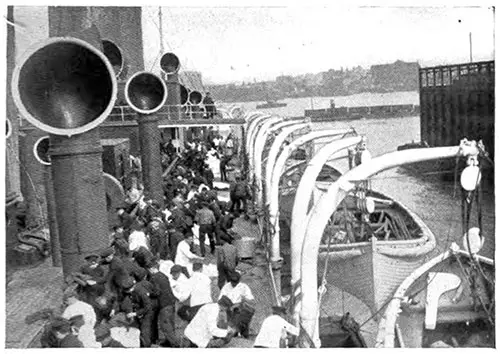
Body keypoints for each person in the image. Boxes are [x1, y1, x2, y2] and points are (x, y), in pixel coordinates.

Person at [118, 277, 158, 348]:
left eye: (127, 290)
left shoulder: (141, 292)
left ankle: (147, 346)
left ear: (131, 288)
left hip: (147, 312)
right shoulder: (131, 290)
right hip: (138, 310)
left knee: (145, 331)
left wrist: (135, 314)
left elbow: (148, 307)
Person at [146, 260, 179, 347]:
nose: (149, 271)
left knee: (165, 325)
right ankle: (168, 341)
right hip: (171, 302)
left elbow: (157, 292)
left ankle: (175, 344)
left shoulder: (154, 278)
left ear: (153, 269)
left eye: (149, 269)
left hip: (164, 304)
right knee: (171, 323)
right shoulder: (163, 275)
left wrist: (149, 294)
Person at [219, 271, 255, 338]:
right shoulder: (226, 287)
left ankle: (243, 333)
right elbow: (220, 299)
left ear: (239, 280)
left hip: (240, 308)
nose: (234, 284)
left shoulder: (244, 287)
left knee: (244, 312)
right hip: (229, 308)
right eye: (232, 282)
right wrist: (229, 306)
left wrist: (241, 302)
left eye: (235, 283)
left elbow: (251, 300)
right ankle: (232, 333)